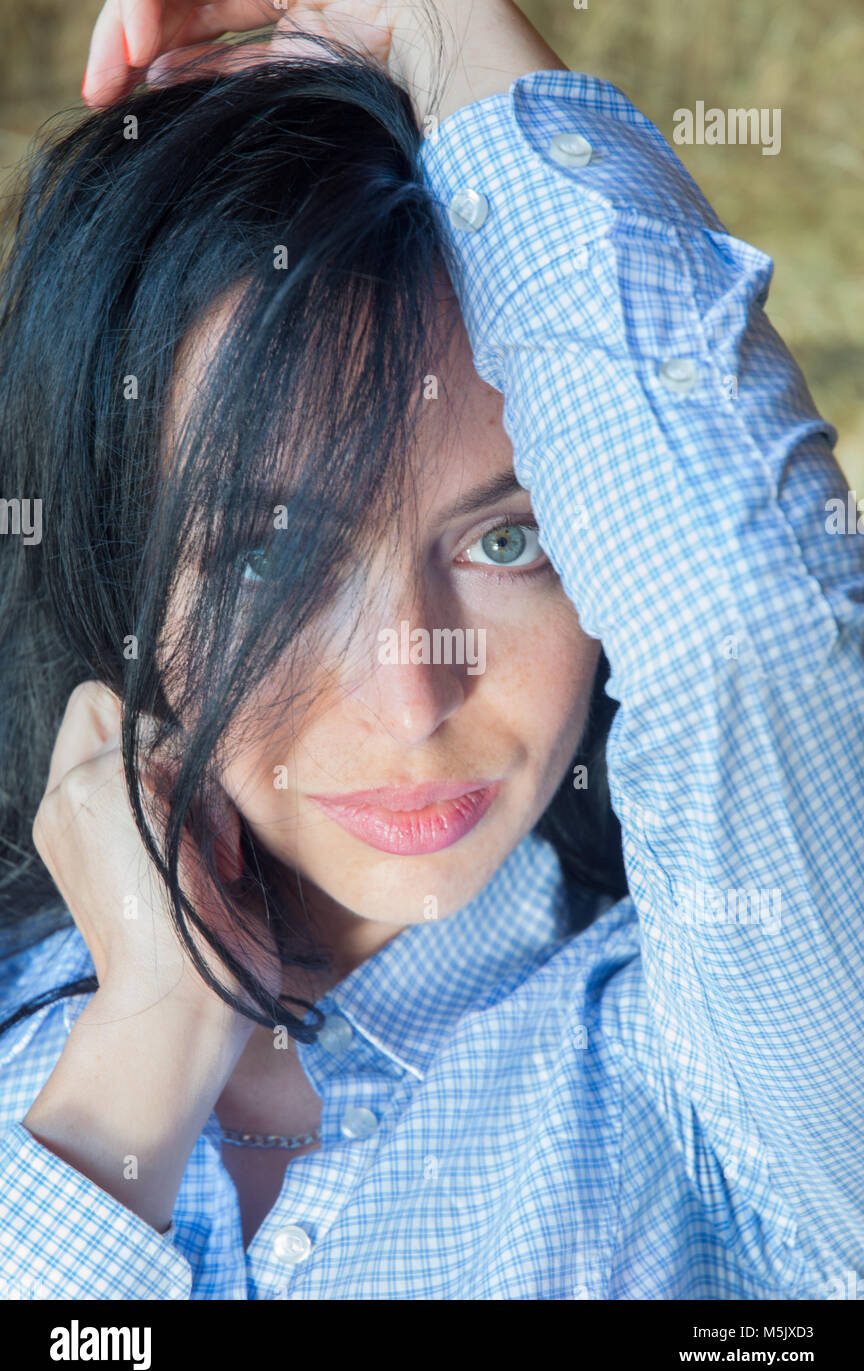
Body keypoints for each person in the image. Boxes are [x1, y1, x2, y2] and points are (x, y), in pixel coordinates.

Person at [0, 0, 861, 1301]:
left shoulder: (723, 1078)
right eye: (272, 554)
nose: (413, 698)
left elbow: (755, 638)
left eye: (513, 540)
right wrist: (145, 1045)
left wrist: (442, 28)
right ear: (121, 556)